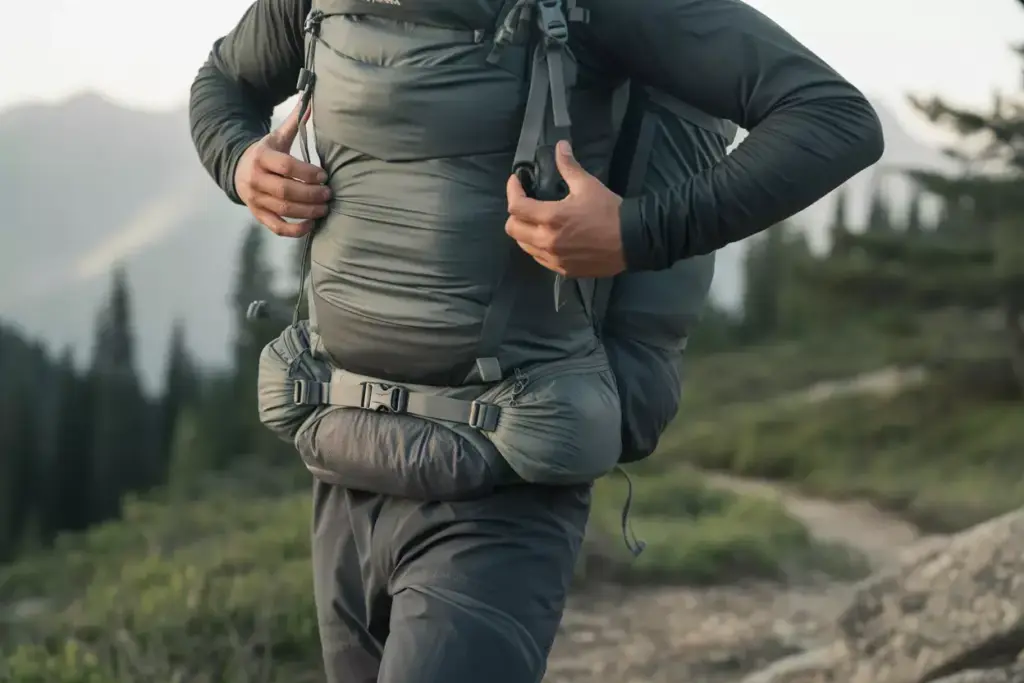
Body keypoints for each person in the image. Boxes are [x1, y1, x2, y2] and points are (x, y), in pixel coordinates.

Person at [189, 1, 884, 681]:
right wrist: (240, 161)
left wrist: (637, 231)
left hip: (501, 477)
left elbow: (833, 116)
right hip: (344, 454)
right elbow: (222, 83)